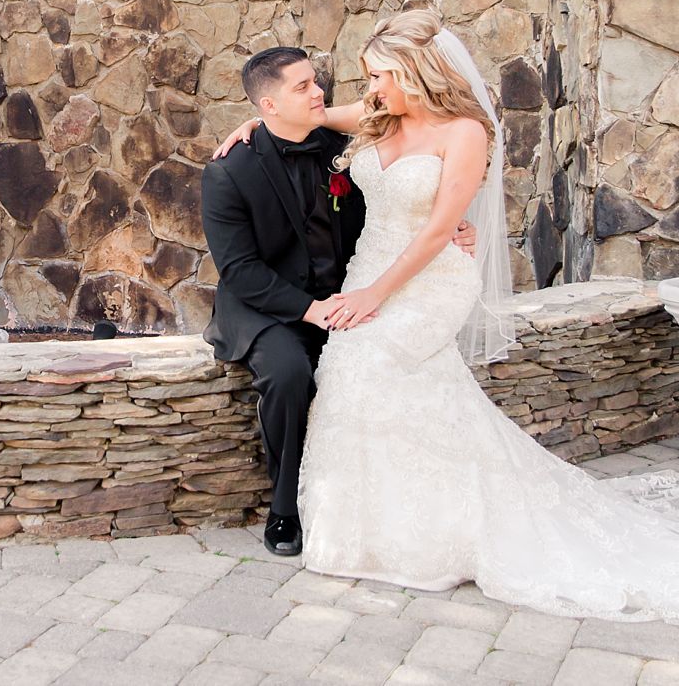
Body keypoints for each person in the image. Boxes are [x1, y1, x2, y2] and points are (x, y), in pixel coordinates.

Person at [213, 5, 679, 623]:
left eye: (380, 74)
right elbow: (304, 121)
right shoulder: (380, 114)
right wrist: (248, 127)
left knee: (370, 358)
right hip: (372, 272)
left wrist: (374, 296)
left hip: (428, 279)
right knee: (353, 366)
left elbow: (440, 230)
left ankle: (446, 525)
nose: (366, 88)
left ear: (414, 72)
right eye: (369, 77)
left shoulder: (466, 132)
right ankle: (369, 525)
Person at [200, 46, 475, 557]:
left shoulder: (342, 142)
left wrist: (450, 221)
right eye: (301, 87)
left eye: (315, 81)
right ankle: (284, 510)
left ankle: (387, 501)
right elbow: (240, 271)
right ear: (269, 106)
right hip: (268, 306)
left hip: (348, 288)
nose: (318, 91)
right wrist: (310, 311)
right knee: (288, 375)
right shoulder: (228, 172)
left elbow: (400, 192)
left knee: (383, 362)